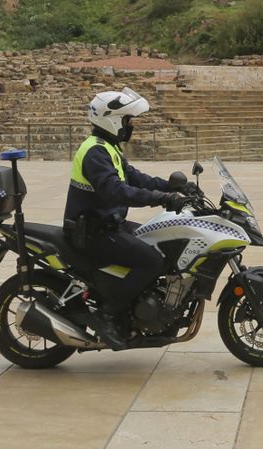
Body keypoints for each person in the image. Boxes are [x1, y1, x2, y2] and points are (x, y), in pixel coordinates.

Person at [64, 86, 187, 348]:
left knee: (158, 242)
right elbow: (116, 191)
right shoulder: (95, 152)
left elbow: (135, 178)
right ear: (113, 120)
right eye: (128, 120)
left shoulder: (108, 148)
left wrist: (172, 187)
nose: (131, 126)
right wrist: (161, 199)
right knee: (152, 261)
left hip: (107, 225)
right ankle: (107, 314)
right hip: (93, 232)